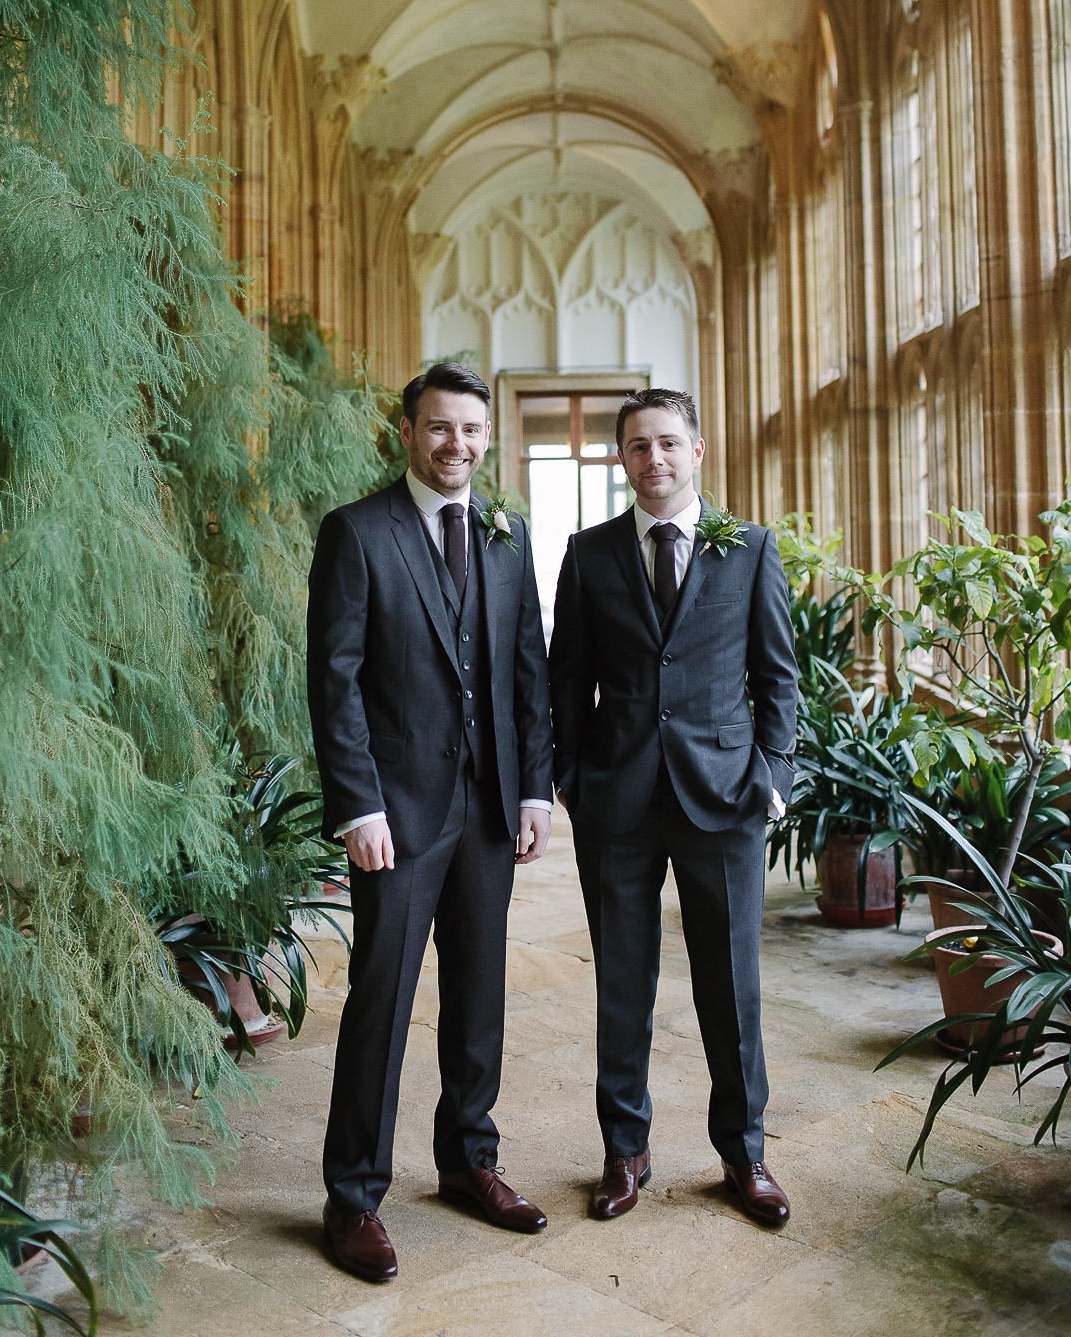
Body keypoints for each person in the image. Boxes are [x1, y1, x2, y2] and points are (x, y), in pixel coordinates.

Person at [307, 361, 554, 1284]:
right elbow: (332, 681)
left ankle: (469, 1162)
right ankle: (353, 1195)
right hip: (397, 814)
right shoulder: (357, 533)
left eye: (473, 431)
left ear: (488, 438)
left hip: (488, 807)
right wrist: (358, 803)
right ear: (405, 431)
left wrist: (534, 789)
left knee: (479, 994)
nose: (459, 445)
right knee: (382, 999)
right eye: (441, 428)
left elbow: (525, 667)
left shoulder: (505, 533)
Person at [548, 387, 797, 1227]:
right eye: (636, 447)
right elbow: (565, 679)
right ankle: (625, 1149)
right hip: (616, 800)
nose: (652, 460)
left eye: (667, 444)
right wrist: (574, 779)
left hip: (724, 799)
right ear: (622, 460)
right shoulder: (587, 555)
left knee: (731, 985)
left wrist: (774, 775)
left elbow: (778, 679)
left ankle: (744, 1153)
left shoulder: (753, 550)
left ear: (697, 449)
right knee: (623, 981)